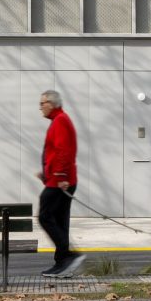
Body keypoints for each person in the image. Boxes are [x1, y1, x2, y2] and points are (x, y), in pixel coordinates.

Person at [37, 90, 86, 278]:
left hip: (60, 182)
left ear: (52, 104)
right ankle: (63, 263)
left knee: (45, 217)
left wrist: (60, 175)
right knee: (59, 221)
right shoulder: (59, 120)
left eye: (42, 103)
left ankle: (68, 257)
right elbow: (57, 152)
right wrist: (47, 173)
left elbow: (64, 150)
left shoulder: (60, 121)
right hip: (58, 179)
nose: (40, 107)